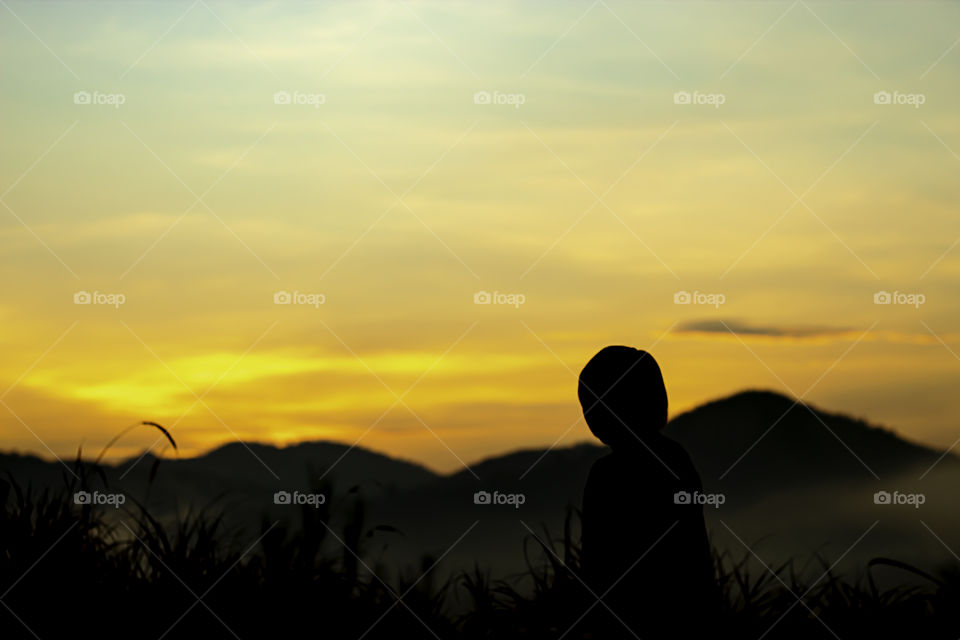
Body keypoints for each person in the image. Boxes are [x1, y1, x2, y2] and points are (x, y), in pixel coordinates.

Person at [579, 346, 716, 638]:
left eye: (591, 404)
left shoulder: (607, 474)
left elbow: (596, 561)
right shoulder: (676, 458)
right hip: (687, 615)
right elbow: (695, 550)